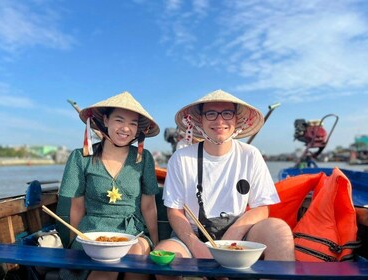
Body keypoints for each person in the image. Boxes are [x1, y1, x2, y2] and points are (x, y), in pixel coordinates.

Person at [155, 89, 295, 280]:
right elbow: (175, 211)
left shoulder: (250, 155)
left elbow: (261, 208)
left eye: (227, 113)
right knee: (164, 258)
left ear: (237, 120)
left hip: (238, 232)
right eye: (211, 114)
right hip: (192, 235)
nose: (219, 121)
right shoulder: (181, 158)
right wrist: (198, 247)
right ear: (200, 121)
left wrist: (233, 236)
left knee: (278, 231)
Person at [59, 91, 160, 280]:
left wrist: (155, 243)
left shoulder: (143, 158)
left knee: (136, 257)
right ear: (106, 120)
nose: (126, 128)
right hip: (92, 232)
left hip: (133, 231)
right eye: (119, 120)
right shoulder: (80, 157)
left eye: (133, 123)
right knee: (107, 264)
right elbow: (77, 207)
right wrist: (75, 244)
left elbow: (148, 206)